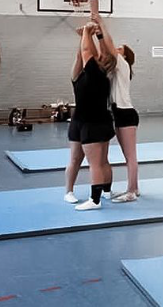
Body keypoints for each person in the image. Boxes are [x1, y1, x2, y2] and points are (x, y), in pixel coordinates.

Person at [64, 22, 116, 210]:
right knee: (76, 159)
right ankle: (68, 191)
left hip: (95, 121)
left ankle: (95, 200)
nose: (96, 56)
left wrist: (87, 31)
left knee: (98, 162)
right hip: (80, 121)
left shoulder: (98, 73)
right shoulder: (83, 74)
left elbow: (87, 52)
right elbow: (82, 53)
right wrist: (85, 37)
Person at [91, 13, 140, 203]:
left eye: (120, 49)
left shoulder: (123, 64)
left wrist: (101, 23)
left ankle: (131, 192)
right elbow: (105, 50)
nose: (116, 49)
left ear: (125, 55)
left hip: (126, 114)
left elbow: (109, 47)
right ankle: (134, 188)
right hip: (119, 114)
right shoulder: (115, 68)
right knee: (128, 156)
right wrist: (97, 35)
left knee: (130, 156)